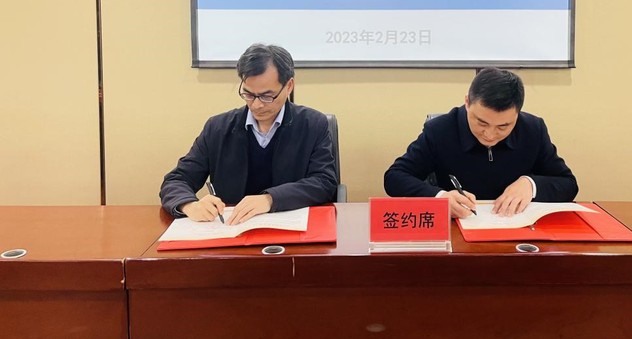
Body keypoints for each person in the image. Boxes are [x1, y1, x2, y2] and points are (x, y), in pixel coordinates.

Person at [160, 43, 337, 225]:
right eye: (249, 94)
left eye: (267, 96)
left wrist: (270, 199)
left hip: (290, 230)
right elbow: (177, 180)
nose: (256, 105)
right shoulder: (218, 128)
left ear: (289, 86)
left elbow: (324, 182)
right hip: (232, 229)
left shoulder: (313, 124)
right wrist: (189, 205)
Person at [384, 67, 578, 219]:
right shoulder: (440, 130)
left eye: (503, 126)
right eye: (482, 122)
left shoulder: (533, 130)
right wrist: (440, 197)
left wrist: (531, 184)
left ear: (517, 113)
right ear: (467, 103)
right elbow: (394, 177)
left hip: (516, 230)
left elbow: (568, 184)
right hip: (458, 230)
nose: (490, 135)